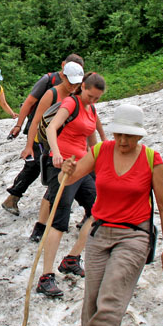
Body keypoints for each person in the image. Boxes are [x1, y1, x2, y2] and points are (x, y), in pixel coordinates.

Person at [60, 103, 163, 326]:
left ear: (140, 136)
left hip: (134, 236)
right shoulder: (101, 152)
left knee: (112, 295)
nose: (123, 141)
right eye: (119, 135)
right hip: (100, 233)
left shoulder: (152, 160)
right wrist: (67, 169)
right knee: (92, 300)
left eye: (130, 136)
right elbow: (71, 179)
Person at [35, 72, 107, 298]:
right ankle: (45, 277)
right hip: (63, 167)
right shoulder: (71, 102)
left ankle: (71, 259)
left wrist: (100, 163)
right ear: (82, 87)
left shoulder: (91, 109)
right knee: (59, 221)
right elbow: (52, 128)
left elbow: (93, 140)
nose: (92, 100)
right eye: (90, 95)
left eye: (96, 98)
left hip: (82, 167)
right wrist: (56, 154)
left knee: (98, 211)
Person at [27, 63, 105, 242]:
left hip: (81, 160)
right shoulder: (54, 94)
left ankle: (85, 227)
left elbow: (91, 129)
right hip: (58, 156)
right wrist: (30, 145)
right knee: (56, 198)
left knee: (92, 199)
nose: (73, 86)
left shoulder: (88, 104)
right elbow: (39, 120)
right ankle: (41, 227)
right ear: (63, 76)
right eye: (71, 82)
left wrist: (102, 149)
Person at [2, 54, 84, 216]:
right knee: (34, 165)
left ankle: (70, 200)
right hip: (38, 130)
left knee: (55, 165)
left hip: (58, 134)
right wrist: (19, 125)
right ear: (63, 67)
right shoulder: (48, 81)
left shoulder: (76, 88)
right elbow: (29, 103)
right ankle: (13, 197)